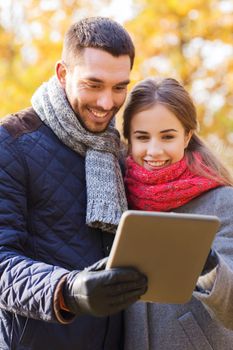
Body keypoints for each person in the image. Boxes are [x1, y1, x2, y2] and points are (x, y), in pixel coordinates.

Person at [0, 17, 148, 350]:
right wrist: (67, 290)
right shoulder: (9, 143)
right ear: (63, 74)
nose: (107, 103)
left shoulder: (119, 150)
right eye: (93, 84)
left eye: (119, 87)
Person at [122, 77, 233, 349]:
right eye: (142, 137)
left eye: (168, 136)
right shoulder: (114, 198)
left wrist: (208, 265)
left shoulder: (222, 201)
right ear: (128, 139)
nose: (154, 150)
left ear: (187, 136)